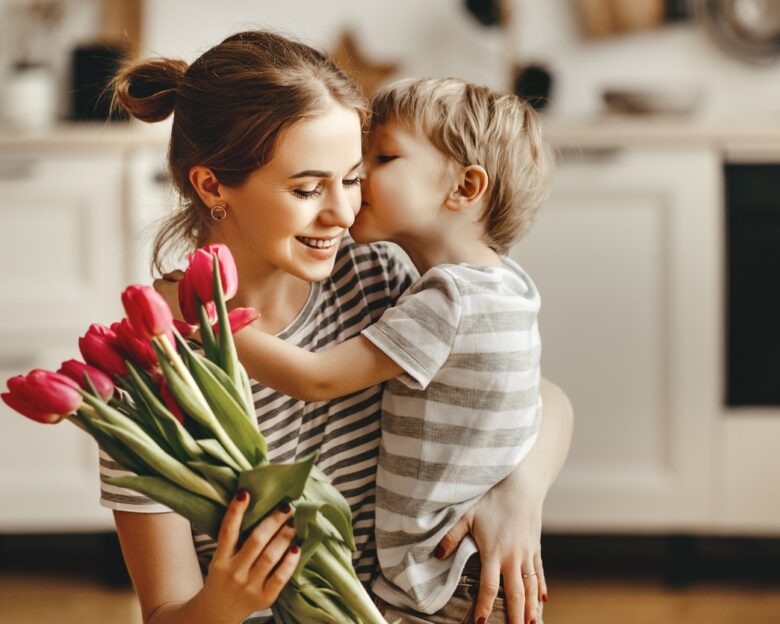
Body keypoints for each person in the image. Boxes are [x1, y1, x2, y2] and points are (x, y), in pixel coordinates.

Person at [103, 30, 572, 624]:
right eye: (306, 188)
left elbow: (533, 394)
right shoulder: (154, 378)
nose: (344, 212)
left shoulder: (375, 280)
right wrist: (226, 599)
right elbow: (167, 615)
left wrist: (519, 492)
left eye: (353, 178)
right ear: (212, 184)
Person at [210, 76, 550, 623]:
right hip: (452, 569)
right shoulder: (507, 284)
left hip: (433, 574)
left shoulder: (447, 299)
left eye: (383, 157)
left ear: (464, 187)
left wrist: (203, 313)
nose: (361, 177)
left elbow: (315, 378)